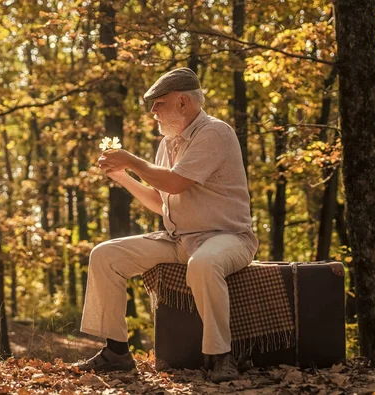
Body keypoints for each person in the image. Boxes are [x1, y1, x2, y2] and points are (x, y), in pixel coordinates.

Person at [75, 67, 258, 383]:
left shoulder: (215, 133)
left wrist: (131, 160)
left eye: (159, 103)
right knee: (105, 255)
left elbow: (174, 183)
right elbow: (161, 201)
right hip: (179, 239)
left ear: (183, 103)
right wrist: (121, 175)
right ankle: (117, 352)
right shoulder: (168, 144)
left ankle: (220, 356)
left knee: (202, 263)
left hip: (228, 238)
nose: (153, 112)